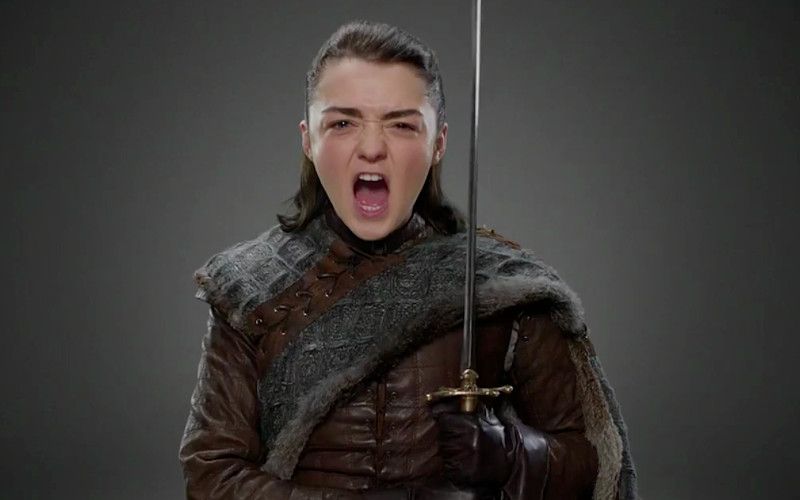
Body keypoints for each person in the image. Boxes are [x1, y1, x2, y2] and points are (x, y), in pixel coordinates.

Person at [179, 20, 637, 500]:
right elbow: (212, 475)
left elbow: (598, 461)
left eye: (401, 125)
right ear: (308, 140)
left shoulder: (503, 285)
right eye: (342, 123)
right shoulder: (249, 288)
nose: (372, 149)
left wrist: (515, 453)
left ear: (438, 143)